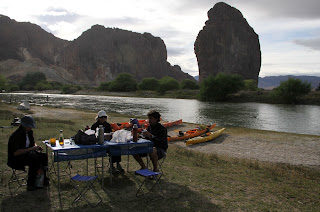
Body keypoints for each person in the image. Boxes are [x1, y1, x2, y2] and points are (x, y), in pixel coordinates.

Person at [7, 115, 49, 191]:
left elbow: (32, 143)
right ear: (24, 126)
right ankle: (31, 183)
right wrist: (32, 149)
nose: (30, 128)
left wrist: (36, 147)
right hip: (17, 158)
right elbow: (16, 153)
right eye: (29, 126)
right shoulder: (16, 135)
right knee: (33, 158)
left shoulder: (29, 132)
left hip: (28, 153)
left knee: (43, 156)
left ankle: (43, 178)